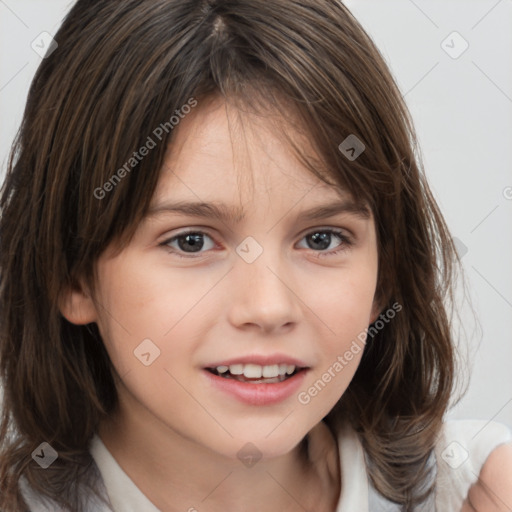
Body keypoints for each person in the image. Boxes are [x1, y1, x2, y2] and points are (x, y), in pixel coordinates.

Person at [0, 1, 511, 511]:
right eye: (191, 241)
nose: (269, 308)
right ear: (72, 274)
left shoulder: (478, 491)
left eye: (322, 239)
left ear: (384, 273)